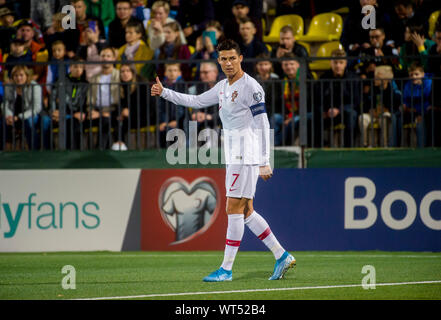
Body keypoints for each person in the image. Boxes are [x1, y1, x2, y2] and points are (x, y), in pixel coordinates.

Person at [151, 39, 296, 282]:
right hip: (235, 155)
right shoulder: (222, 87)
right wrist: (165, 92)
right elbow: (196, 102)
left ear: (241, 58)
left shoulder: (251, 87)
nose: (228, 63)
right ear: (218, 61)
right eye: (224, 59)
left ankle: (226, 270)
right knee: (246, 211)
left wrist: (264, 160)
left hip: (245, 155)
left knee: (233, 208)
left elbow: (263, 123)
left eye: (232, 58)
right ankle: (281, 256)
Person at [315, 49, 360, 148]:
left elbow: (356, 101)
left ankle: (349, 148)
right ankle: (318, 148)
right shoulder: (323, 78)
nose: (338, 65)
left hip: (345, 111)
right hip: (328, 112)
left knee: (352, 114)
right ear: (331, 63)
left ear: (345, 63)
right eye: (335, 62)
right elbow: (317, 99)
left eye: (341, 62)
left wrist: (339, 110)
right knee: (314, 116)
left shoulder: (353, 78)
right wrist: (324, 110)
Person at [46, 57, 89, 150]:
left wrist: (83, 113)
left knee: (74, 124)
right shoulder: (61, 81)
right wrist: (54, 111)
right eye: (76, 67)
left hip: (76, 115)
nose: (78, 70)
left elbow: (85, 102)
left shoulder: (86, 84)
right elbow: (52, 98)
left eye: (81, 67)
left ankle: (75, 154)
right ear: (70, 67)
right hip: (61, 113)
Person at [0, 66, 44, 150]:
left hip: (29, 115)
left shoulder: (34, 86)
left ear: (27, 76)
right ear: (12, 77)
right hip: (12, 116)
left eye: (21, 75)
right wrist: (9, 116)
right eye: (16, 76)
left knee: (28, 123)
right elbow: (4, 104)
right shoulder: (9, 86)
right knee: (2, 122)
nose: (18, 78)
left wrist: (19, 117)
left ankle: (34, 150)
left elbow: (36, 108)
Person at [358, 65, 402, 147]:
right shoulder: (373, 89)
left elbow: (395, 107)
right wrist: (370, 110)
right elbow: (366, 103)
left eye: (377, 77)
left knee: (385, 117)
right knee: (362, 118)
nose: (374, 79)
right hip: (373, 114)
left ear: (385, 79)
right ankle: (365, 144)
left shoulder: (392, 91)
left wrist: (385, 110)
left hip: (385, 114)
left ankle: (385, 145)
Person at [86, 46, 120, 149]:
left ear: (114, 58)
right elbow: (89, 99)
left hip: (114, 111)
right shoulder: (94, 78)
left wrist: (106, 113)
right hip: (96, 111)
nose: (105, 58)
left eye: (108, 56)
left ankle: (99, 150)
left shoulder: (119, 76)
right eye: (103, 56)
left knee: (105, 121)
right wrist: (91, 111)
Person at [393, 62, 432, 147]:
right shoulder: (408, 85)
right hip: (411, 111)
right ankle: (395, 146)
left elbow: (429, 101)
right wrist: (403, 106)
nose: (414, 77)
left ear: (423, 74)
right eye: (411, 75)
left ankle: (422, 149)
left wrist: (420, 112)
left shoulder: (429, 83)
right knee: (396, 117)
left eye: (416, 74)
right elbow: (405, 100)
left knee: (420, 123)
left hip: (424, 112)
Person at [112, 63, 149, 150]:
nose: (125, 73)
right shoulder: (121, 87)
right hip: (128, 116)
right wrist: (122, 112)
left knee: (122, 123)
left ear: (133, 73)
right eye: (122, 71)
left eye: (128, 71)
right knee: (114, 118)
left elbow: (147, 107)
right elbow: (120, 105)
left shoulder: (142, 85)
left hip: (144, 116)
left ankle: (120, 144)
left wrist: (130, 112)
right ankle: (118, 144)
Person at [156, 62, 188, 148]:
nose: (172, 73)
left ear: (179, 73)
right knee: (163, 131)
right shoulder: (162, 86)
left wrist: (177, 120)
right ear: (165, 73)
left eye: (175, 70)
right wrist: (164, 122)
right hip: (167, 120)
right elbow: (160, 107)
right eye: (169, 70)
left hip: (181, 120)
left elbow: (183, 107)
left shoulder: (182, 86)